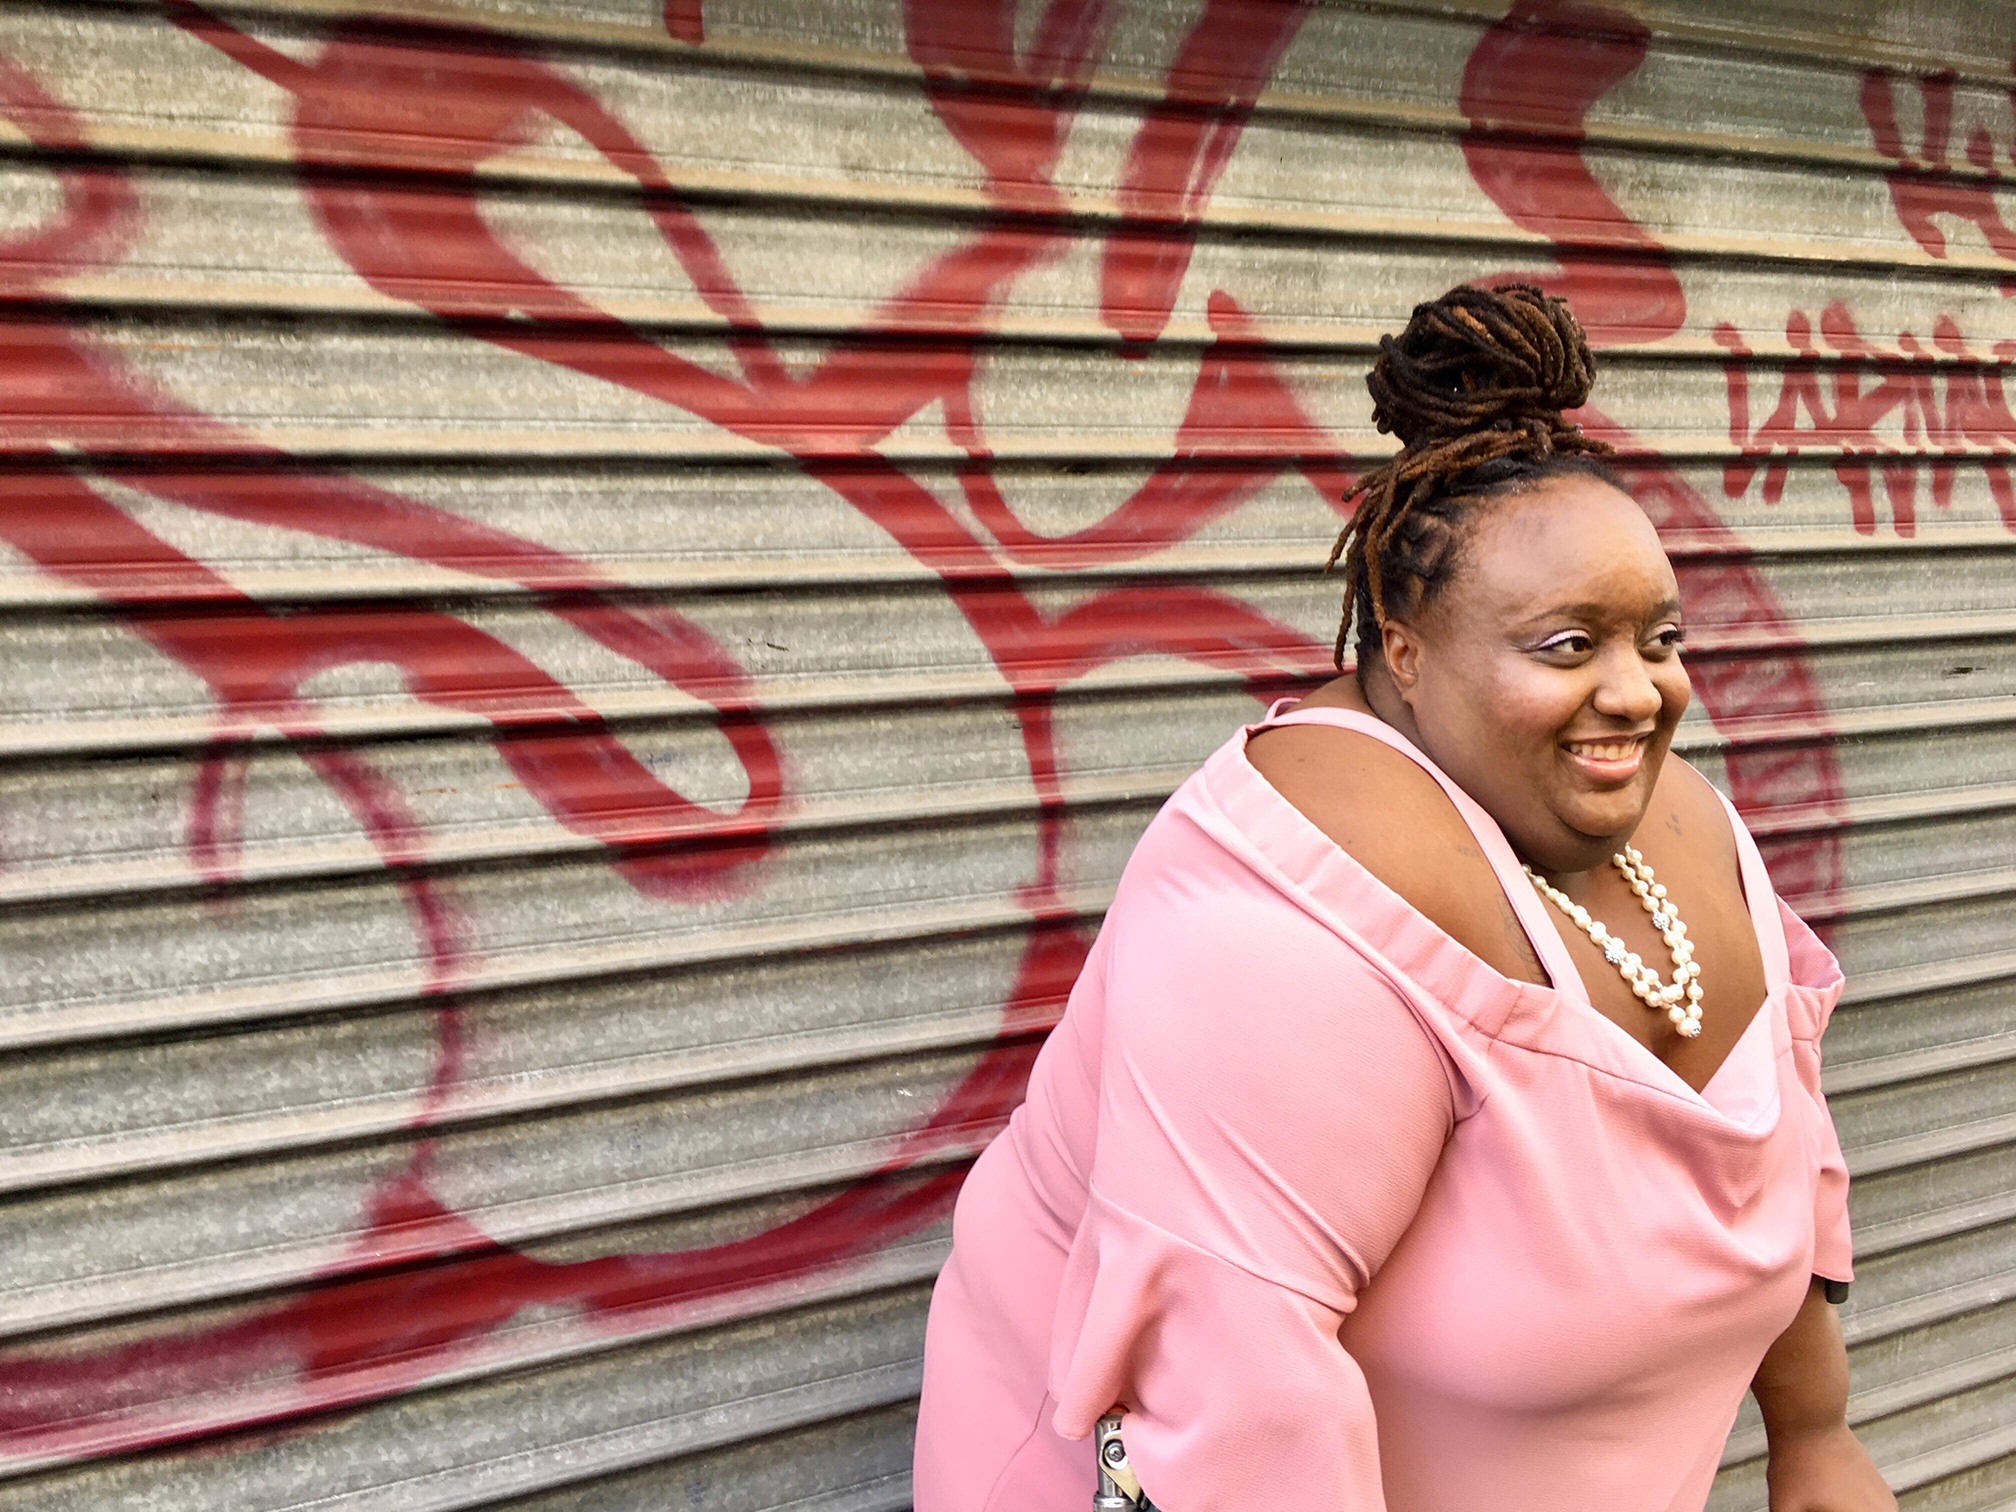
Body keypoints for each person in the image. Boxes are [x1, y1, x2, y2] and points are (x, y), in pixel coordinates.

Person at [911, 284, 1893, 1512]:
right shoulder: (1276, 938)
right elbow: (1233, 1429)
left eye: (1658, 636)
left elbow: (1770, 1152)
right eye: (1565, 645)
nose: (1640, 694)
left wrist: (1815, 1432)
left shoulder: (1674, 820)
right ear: (1403, 643)